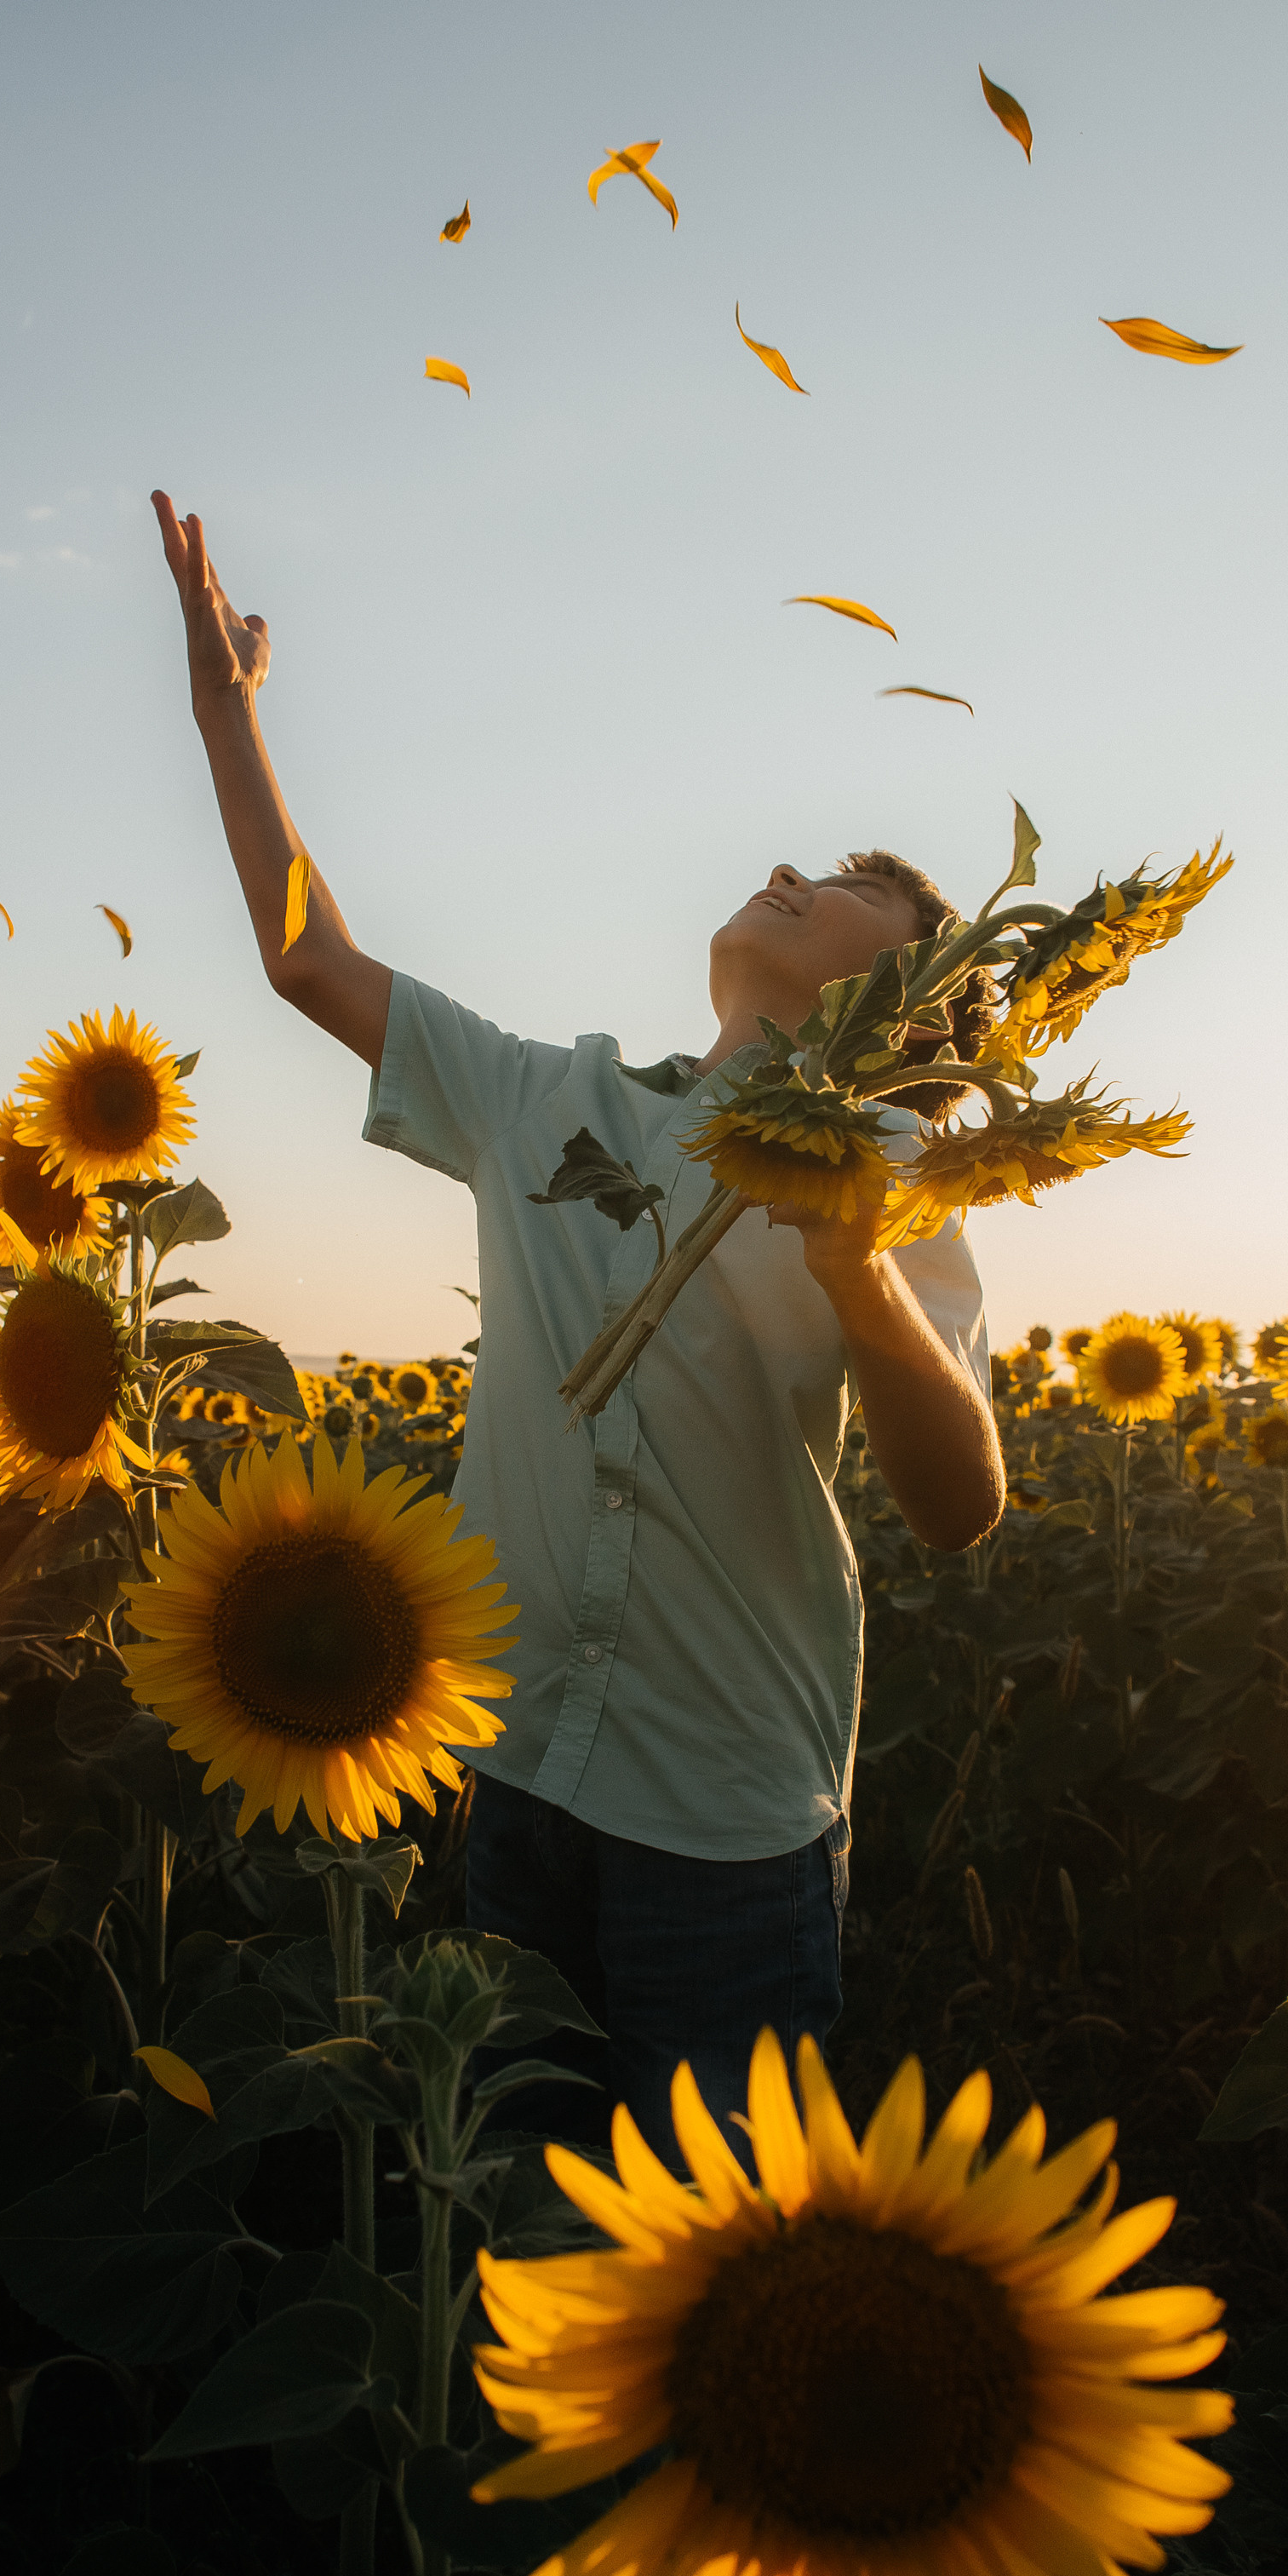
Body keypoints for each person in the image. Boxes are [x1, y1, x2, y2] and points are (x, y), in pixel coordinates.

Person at [152, 492, 1005, 2160]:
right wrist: (223, 712)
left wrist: (857, 1273)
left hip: (725, 1814)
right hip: (516, 1759)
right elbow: (311, 961)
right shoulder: (557, 1098)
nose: (789, 872)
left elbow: (961, 1500)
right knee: (499, 2223)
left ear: (897, 1013)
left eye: (841, 893)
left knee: (699, 2259)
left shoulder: (893, 1173)